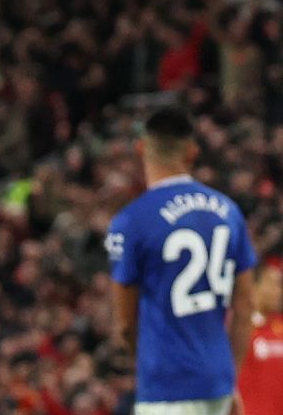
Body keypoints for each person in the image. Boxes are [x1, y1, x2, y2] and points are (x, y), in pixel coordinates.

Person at [106, 107, 256, 415]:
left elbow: (125, 324)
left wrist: (150, 367)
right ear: (192, 152)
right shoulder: (228, 212)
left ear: (141, 148)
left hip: (166, 386)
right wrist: (229, 382)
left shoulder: (131, 220)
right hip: (217, 384)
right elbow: (244, 308)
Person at [237, 259, 283, 415]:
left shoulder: (279, 327)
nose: (278, 291)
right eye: (272, 283)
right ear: (254, 286)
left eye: (279, 285)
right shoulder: (238, 328)